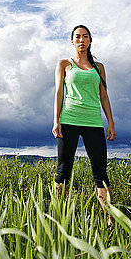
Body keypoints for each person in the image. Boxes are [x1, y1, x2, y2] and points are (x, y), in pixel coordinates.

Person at [52, 24, 116, 211]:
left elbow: (104, 96)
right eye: (78, 37)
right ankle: (59, 216)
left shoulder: (99, 67)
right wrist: (56, 120)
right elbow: (58, 93)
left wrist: (110, 122)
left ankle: (110, 219)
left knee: (101, 173)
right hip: (69, 120)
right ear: (72, 41)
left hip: (93, 122)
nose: (81, 40)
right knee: (63, 171)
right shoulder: (64, 64)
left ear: (90, 40)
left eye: (85, 36)